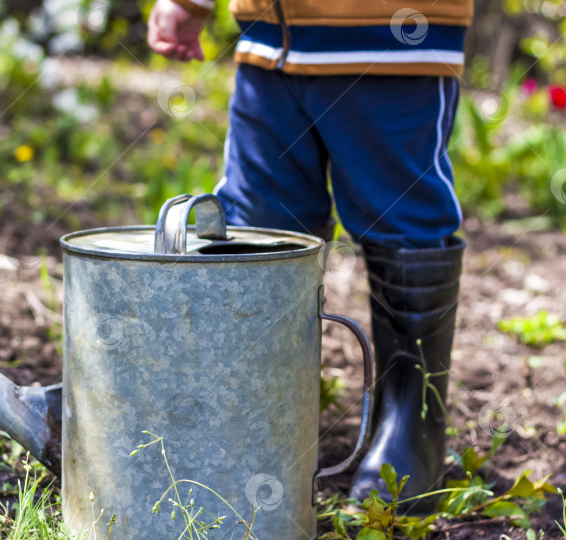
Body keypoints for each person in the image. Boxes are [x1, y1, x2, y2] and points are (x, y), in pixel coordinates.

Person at [147, 0, 471, 513]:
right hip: (269, 44)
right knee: (262, 222)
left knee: (402, 216)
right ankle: (267, 416)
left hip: (389, 40)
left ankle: (413, 423)